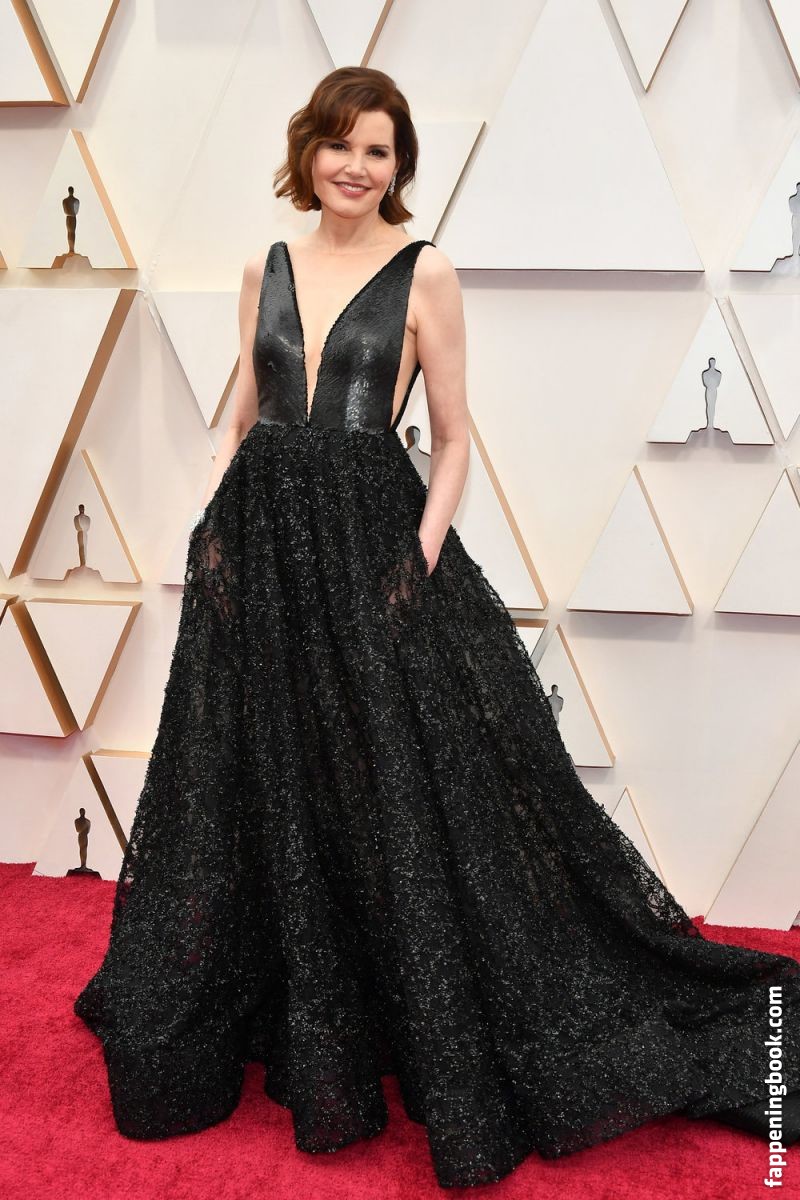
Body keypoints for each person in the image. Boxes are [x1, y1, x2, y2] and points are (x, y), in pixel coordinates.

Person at [73, 66, 800, 1189]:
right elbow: (243, 411)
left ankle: (414, 1009)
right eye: (339, 145)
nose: (355, 166)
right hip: (262, 548)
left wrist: (412, 561)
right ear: (308, 152)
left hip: (374, 548)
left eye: (378, 151)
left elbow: (453, 436)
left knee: (399, 788)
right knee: (275, 772)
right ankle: (314, 1004)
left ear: (399, 167)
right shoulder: (264, 268)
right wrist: (211, 526)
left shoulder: (427, 273)